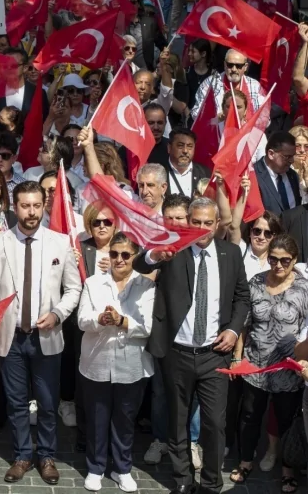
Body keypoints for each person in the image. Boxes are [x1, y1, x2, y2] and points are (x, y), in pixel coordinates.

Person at [132, 198, 249, 494]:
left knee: (214, 423)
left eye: (208, 223)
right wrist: (156, 254)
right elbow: (140, 262)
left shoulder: (231, 253)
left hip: (214, 354)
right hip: (177, 353)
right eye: (195, 222)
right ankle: (183, 479)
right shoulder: (173, 249)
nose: (201, 228)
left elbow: (242, 297)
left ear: (217, 224)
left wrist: (233, 329)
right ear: (188, 221)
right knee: (177, 421)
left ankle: (211, 483)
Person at [0, 181, 82, 484]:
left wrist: (58, 314)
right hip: (10, 336)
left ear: (43, 205)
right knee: (16, 402)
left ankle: (47, 456)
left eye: (37, 205)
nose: (32, 212)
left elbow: (73, 288)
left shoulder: (60, 243)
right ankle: (22, 455)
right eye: (25, 206)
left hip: (46, 336)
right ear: (15, 206)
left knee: (48, 403)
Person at [229, 234, 308, 492]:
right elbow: (244, 325)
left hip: (287, 368)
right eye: (273, 259)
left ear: (294, 260)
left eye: (285, 260)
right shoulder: (255, 282)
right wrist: (237, 357)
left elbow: (306, 330)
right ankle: (245, 461)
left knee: (286, 420)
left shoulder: (304, 289)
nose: (278, 265)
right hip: (256, 364)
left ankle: (287, 468)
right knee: (249, 415)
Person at [77, 233, 155, 493]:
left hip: (132, 364)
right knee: (97, 419)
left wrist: (122, 321)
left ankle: (122, 468)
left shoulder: (146, 286)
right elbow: (82, 320)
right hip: (96, 362)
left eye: (125, 255)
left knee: (125, 420)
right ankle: (95, 467)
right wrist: (100, 319)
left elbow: (148, 327)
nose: (119, 259)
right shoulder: (93, 283)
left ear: (135, 256)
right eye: (114, 254)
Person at [254, 131, 300, 216]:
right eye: (287, 156)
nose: (292, 161)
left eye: (293, 156)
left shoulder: (293, 176)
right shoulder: (254, 176)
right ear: (271, 154)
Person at [166, 128, 210, 197]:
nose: (185, 151)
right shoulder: (159, 172)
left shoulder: (205, 173)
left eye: (190, 146)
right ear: (169, 148)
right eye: (180, 146)